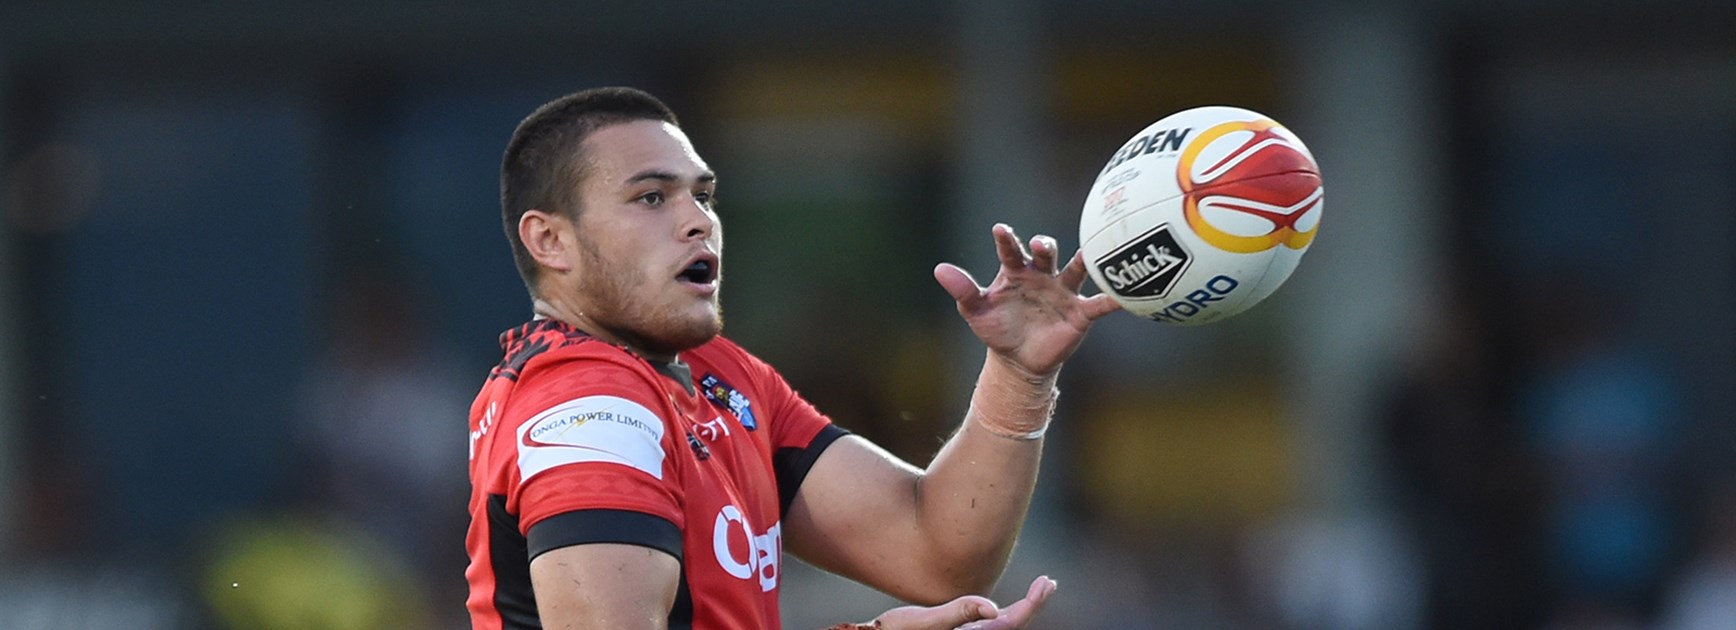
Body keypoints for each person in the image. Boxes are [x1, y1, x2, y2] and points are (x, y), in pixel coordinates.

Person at [464, 87, 1118, 629]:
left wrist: (1018, 375)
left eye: (704, 195)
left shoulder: (724, 377)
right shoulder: (586, 402)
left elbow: (937, 552)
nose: (698, 220)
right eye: (652, 198)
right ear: (550, 240)